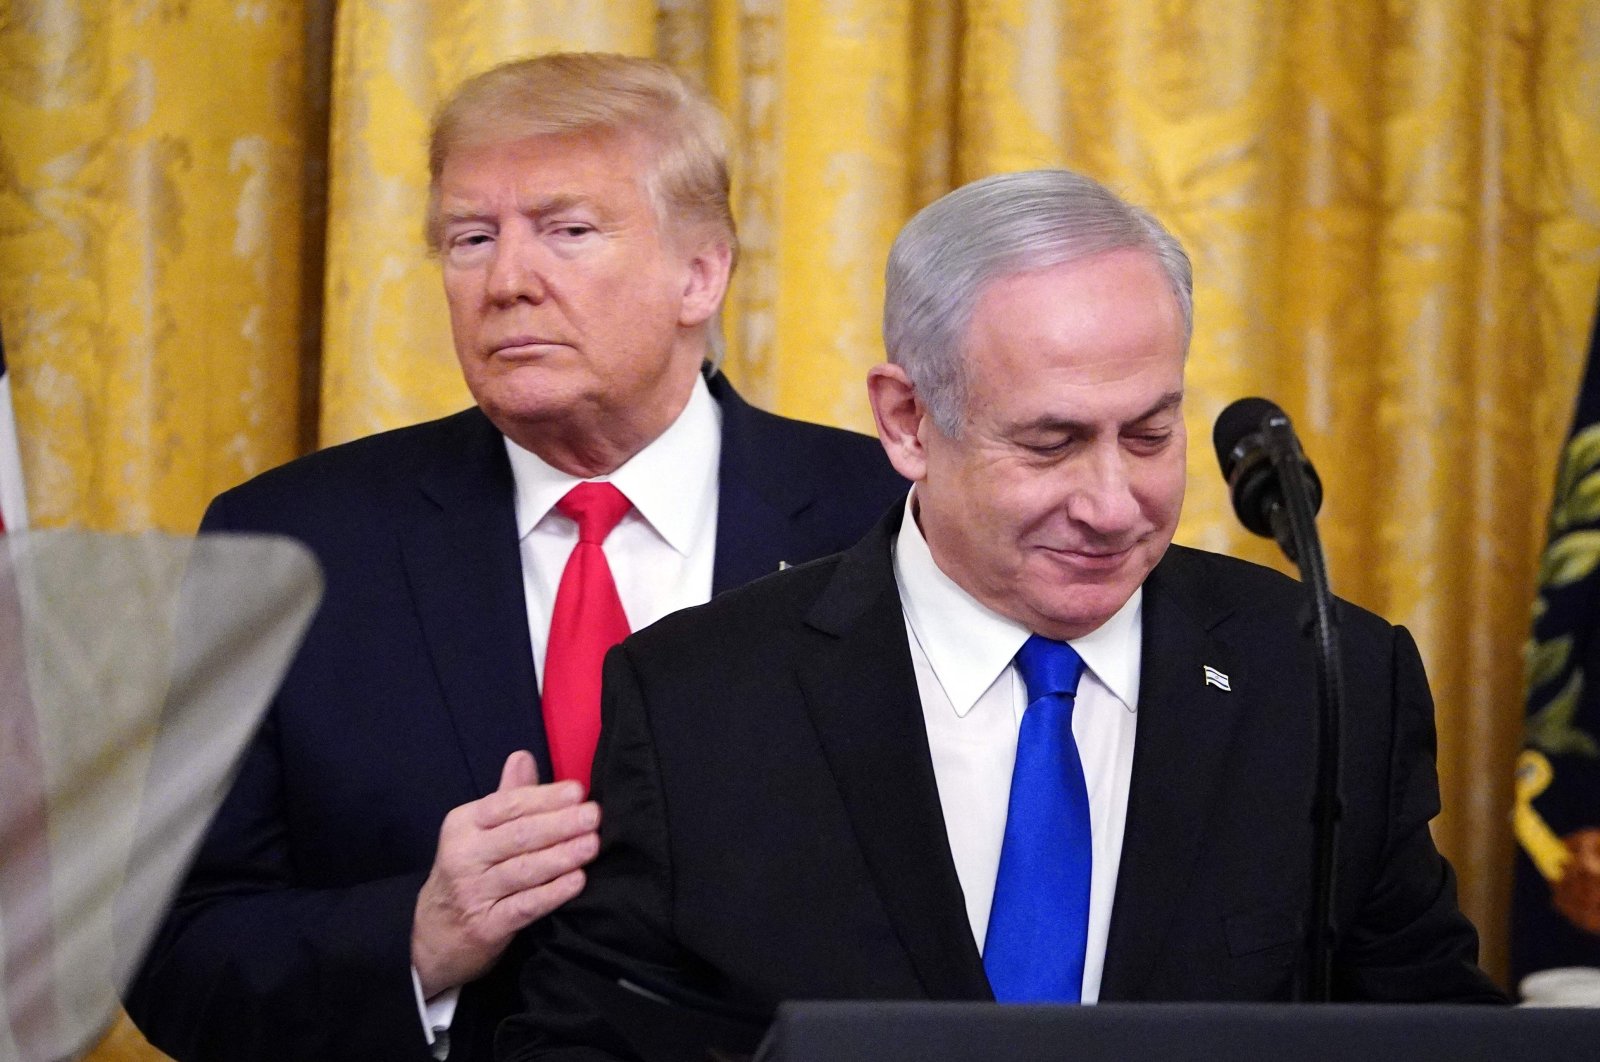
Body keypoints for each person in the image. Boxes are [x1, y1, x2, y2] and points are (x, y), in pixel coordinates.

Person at [498, 168, 1506, 1062]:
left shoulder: (1325, 678)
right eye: (1051, 443)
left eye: (1149, 435)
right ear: (907, 422)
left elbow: (1430, 1028)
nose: (1113, 505)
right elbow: (585, 1037)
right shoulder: (700, 700)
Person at [124, 53, 906, 1062]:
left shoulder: (885, 525)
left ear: (700, 272)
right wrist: (415, 938)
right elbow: (172, 945)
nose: (506, 281)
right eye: (470, 237)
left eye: (568, 231)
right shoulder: (290, 545)